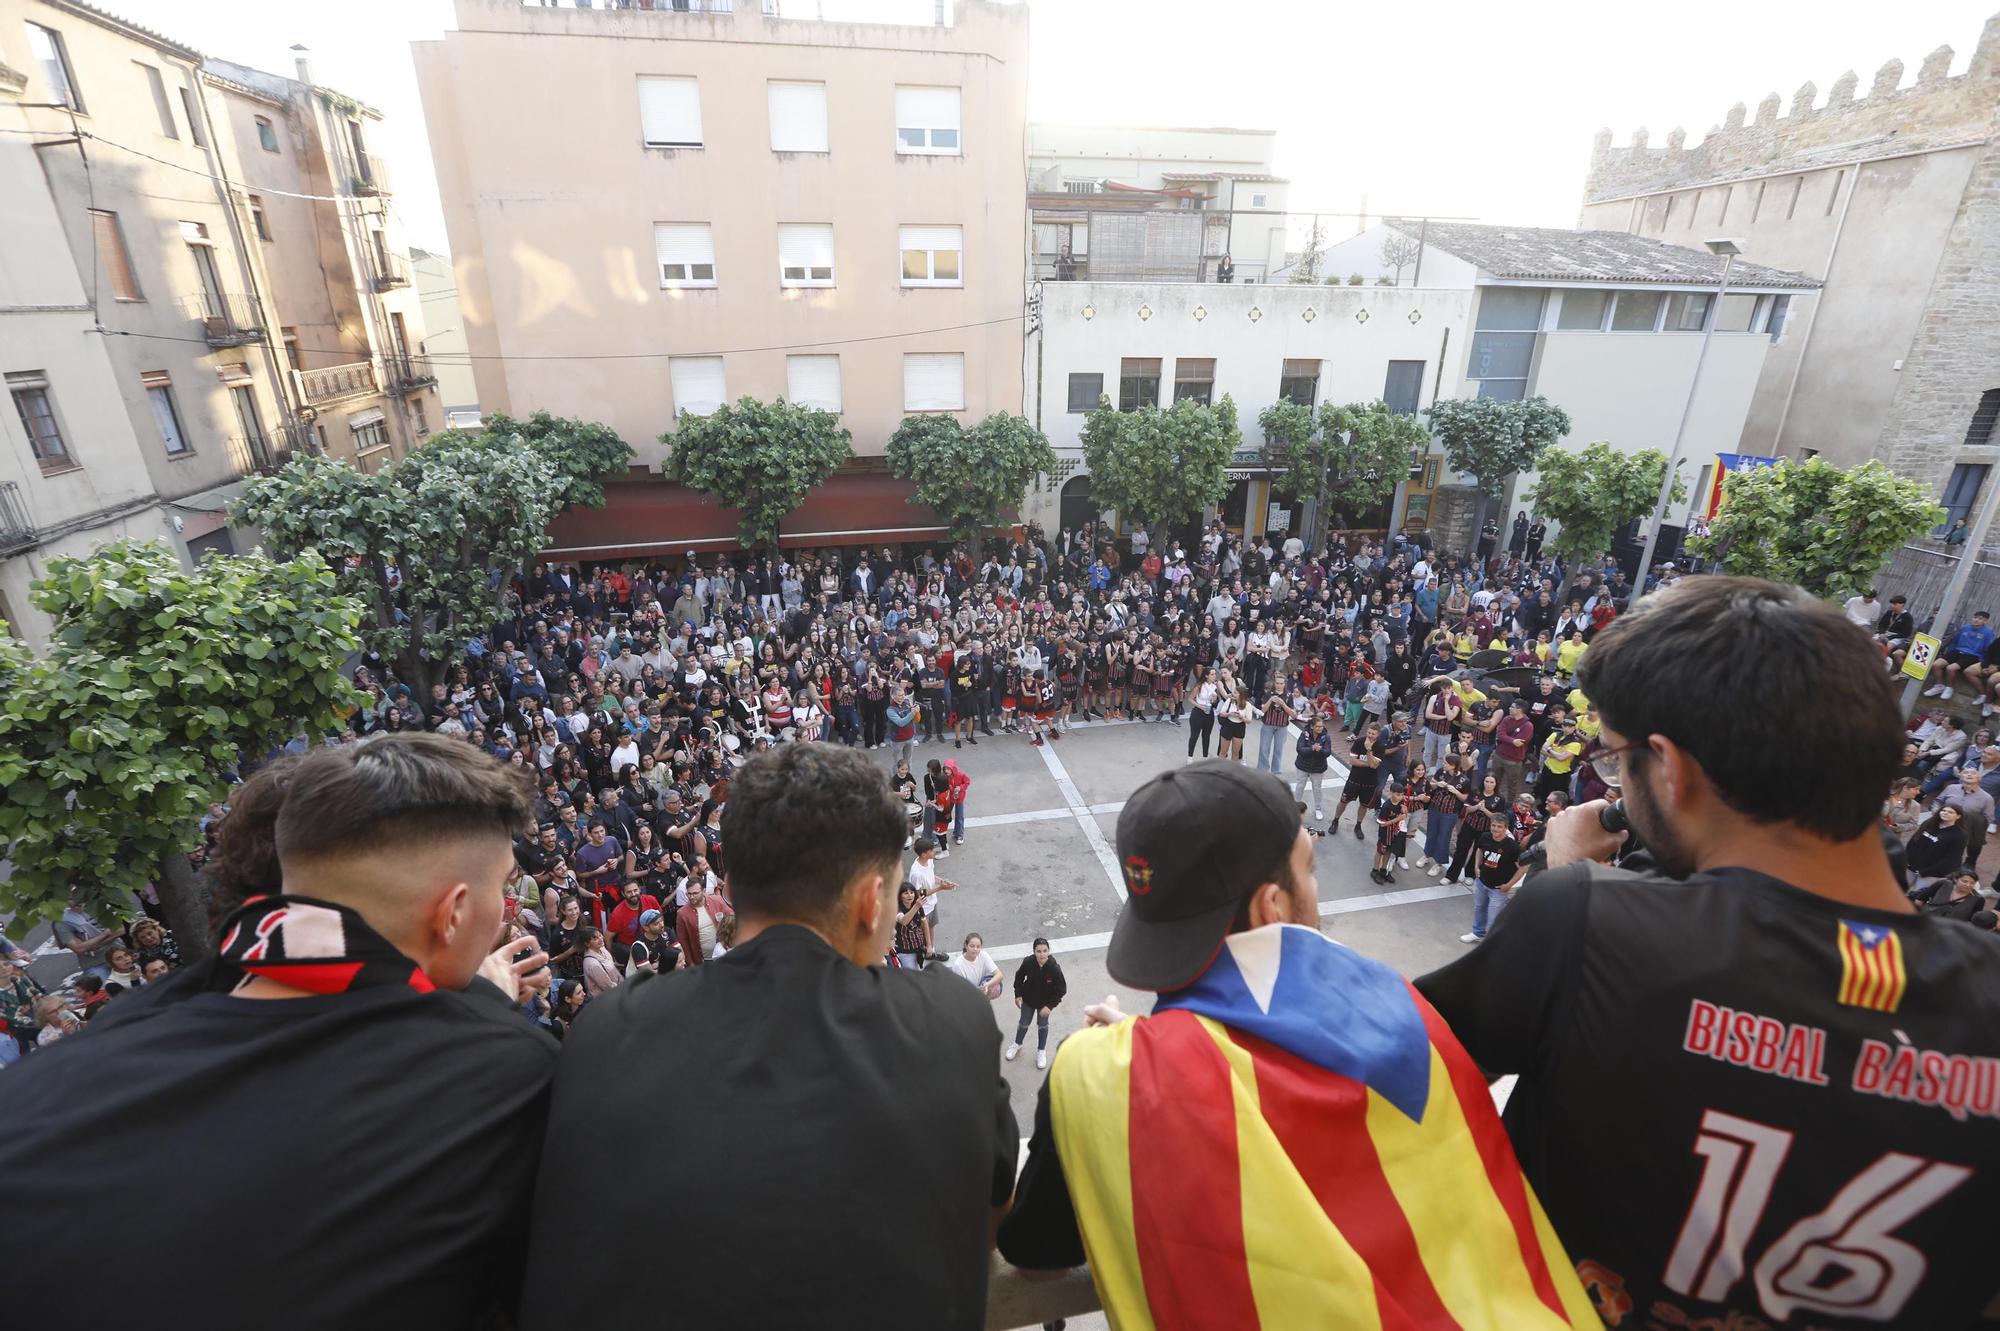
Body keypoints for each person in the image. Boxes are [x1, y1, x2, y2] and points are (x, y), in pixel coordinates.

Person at [1416, 577, 2000, 1329]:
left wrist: (1571, 878)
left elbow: (1404, 1074)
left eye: (1617, 760)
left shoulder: (1586, 918)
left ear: (1670, 767)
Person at [997, 760, 1596, 1327]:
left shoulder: (1098, 1077)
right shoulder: (1398, 1008)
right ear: (1272, 906)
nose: (1317, 888)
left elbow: (1034, 1258)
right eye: (1309, 869)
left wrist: (1128, 1050)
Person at [0, 734, 558, 1330]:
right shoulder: (503, 1079)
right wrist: (481, 1012)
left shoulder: (85, 1052)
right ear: (452, 913)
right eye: (502, 884)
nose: (504, 904)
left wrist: (471, 992)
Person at [520, 743, 1016, 1330]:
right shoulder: (952, 1022)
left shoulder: (605, 1033)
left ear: (733, 880)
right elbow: (988, 1222)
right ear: (870, 900)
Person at [1006, 937, 1067, 1071]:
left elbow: (1062, 989)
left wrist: (1050, 1006)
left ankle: (1041, 1051)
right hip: (1028, 1000)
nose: (1042, 954)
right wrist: (1018, 995)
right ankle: (1017, 1044)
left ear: (1048, 951)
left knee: (1042, 1026)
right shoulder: (1028, 962)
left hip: (1044, 1004)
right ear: (1034, 952)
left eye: (1045, 951)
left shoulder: (1054, 968)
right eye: (1038, 951)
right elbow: (1019, 977)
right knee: (1023, 1023)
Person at [942, 932, 1003, 999]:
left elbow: (999, 975)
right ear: (966, 945)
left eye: (978, 946)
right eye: (972, 946)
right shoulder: (958, 965)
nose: (975, 949)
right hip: (967, 997)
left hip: (981, 992)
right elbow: (960, 990)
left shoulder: (984, 955)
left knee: (995, 986)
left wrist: (987, 985)